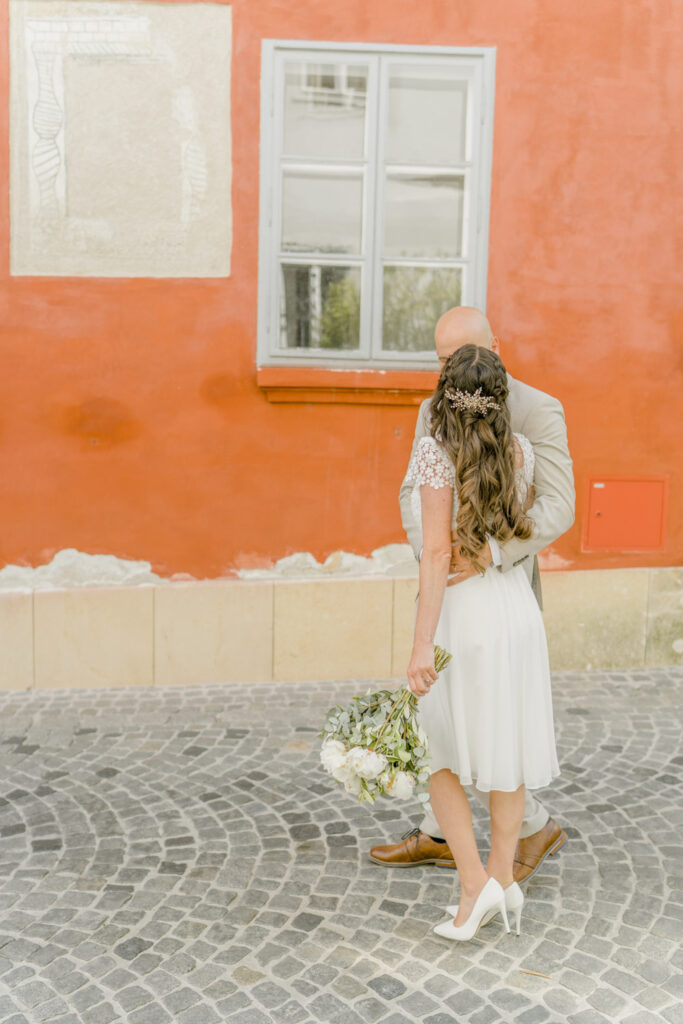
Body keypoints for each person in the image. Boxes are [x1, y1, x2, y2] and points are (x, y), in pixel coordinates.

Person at [370, 307, 574, 886]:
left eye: (457, 357)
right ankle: (443, 834)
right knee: (446, 711)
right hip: (447, 587)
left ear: (494, 346)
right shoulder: (430, 409)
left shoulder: (538, 409)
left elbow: (558, 505)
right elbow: (412, 493)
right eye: (440, 360)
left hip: (501, 587)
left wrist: (486, 553)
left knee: (483, 715)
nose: (447, 371)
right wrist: (437, 555)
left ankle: (520, 833)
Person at [404, 342, 563, 940]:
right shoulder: (520, 451)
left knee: (436, 752)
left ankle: (474, 885)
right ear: (501, 398)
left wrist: (421, 643)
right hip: (516, 611)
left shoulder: (435, 451)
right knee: (506, 749)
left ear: (445, 393)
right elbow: (521, 525)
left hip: (464, 615)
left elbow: (436, 554)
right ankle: (502, 879)